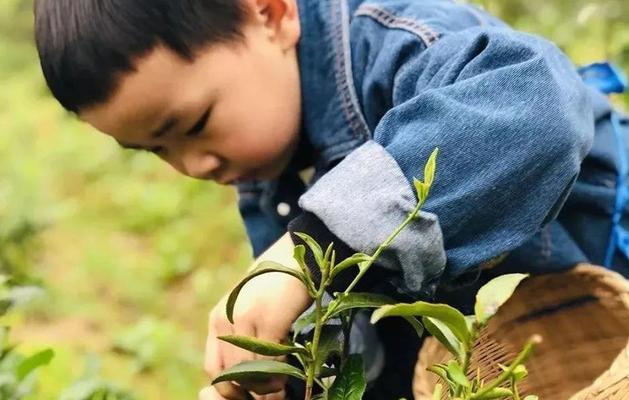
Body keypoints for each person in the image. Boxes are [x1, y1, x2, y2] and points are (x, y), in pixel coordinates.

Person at [33, 0, 628, 399]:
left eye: (194, 125)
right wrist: (279, 364)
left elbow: (537, 112)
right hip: (505, 339)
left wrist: (313, 248)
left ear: (270, 14)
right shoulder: (266, 145)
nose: (195, 165)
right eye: (155, 151)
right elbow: (356, 309)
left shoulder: (400, 40)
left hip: (606, 270)